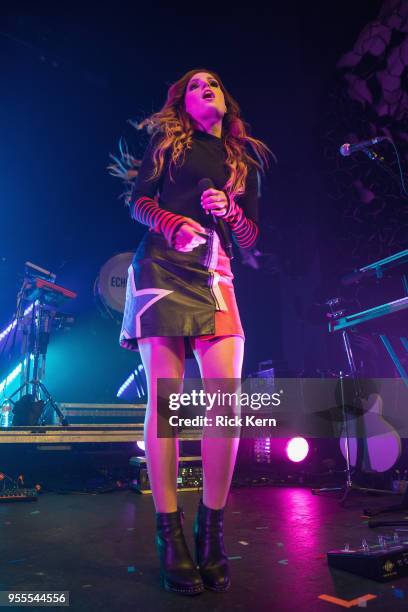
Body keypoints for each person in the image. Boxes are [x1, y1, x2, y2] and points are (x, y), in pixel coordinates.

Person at [111, 68, 270, 595]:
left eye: (215, 84)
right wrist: (173, 223)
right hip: (161, 266)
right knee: (167, 401)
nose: (207, 87)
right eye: (195, 85)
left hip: (216, 271)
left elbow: (249, 236)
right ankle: (170, 535)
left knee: (225, 400)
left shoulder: (243, 161)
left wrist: (230, 213)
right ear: (182, 101)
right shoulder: (167, 145)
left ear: (226, 100)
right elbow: (138, 202)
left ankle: (212, 531)